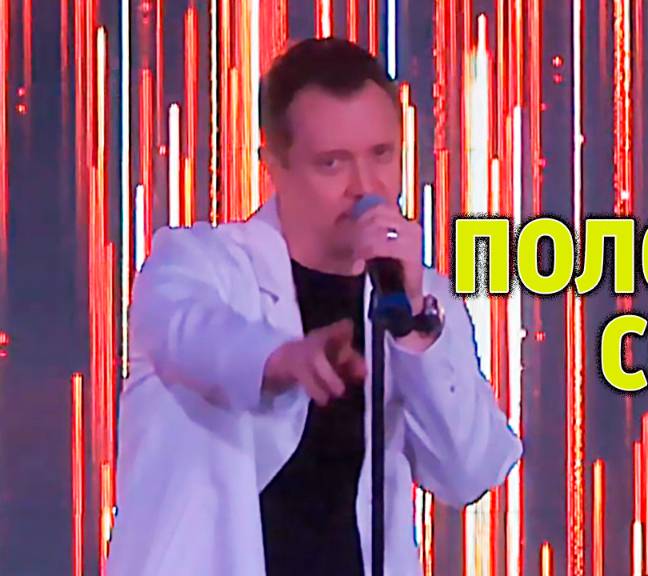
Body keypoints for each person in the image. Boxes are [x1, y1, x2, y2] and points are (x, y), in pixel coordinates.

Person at [107, 38, 522, 576]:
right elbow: (193, 337)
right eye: (332, 163)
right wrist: (283, 360)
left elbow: (468, 472)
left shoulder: (422, 298)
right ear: (273, 165)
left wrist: (415, 329)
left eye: (382, 155)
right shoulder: (199, 263)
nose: (365, 188)